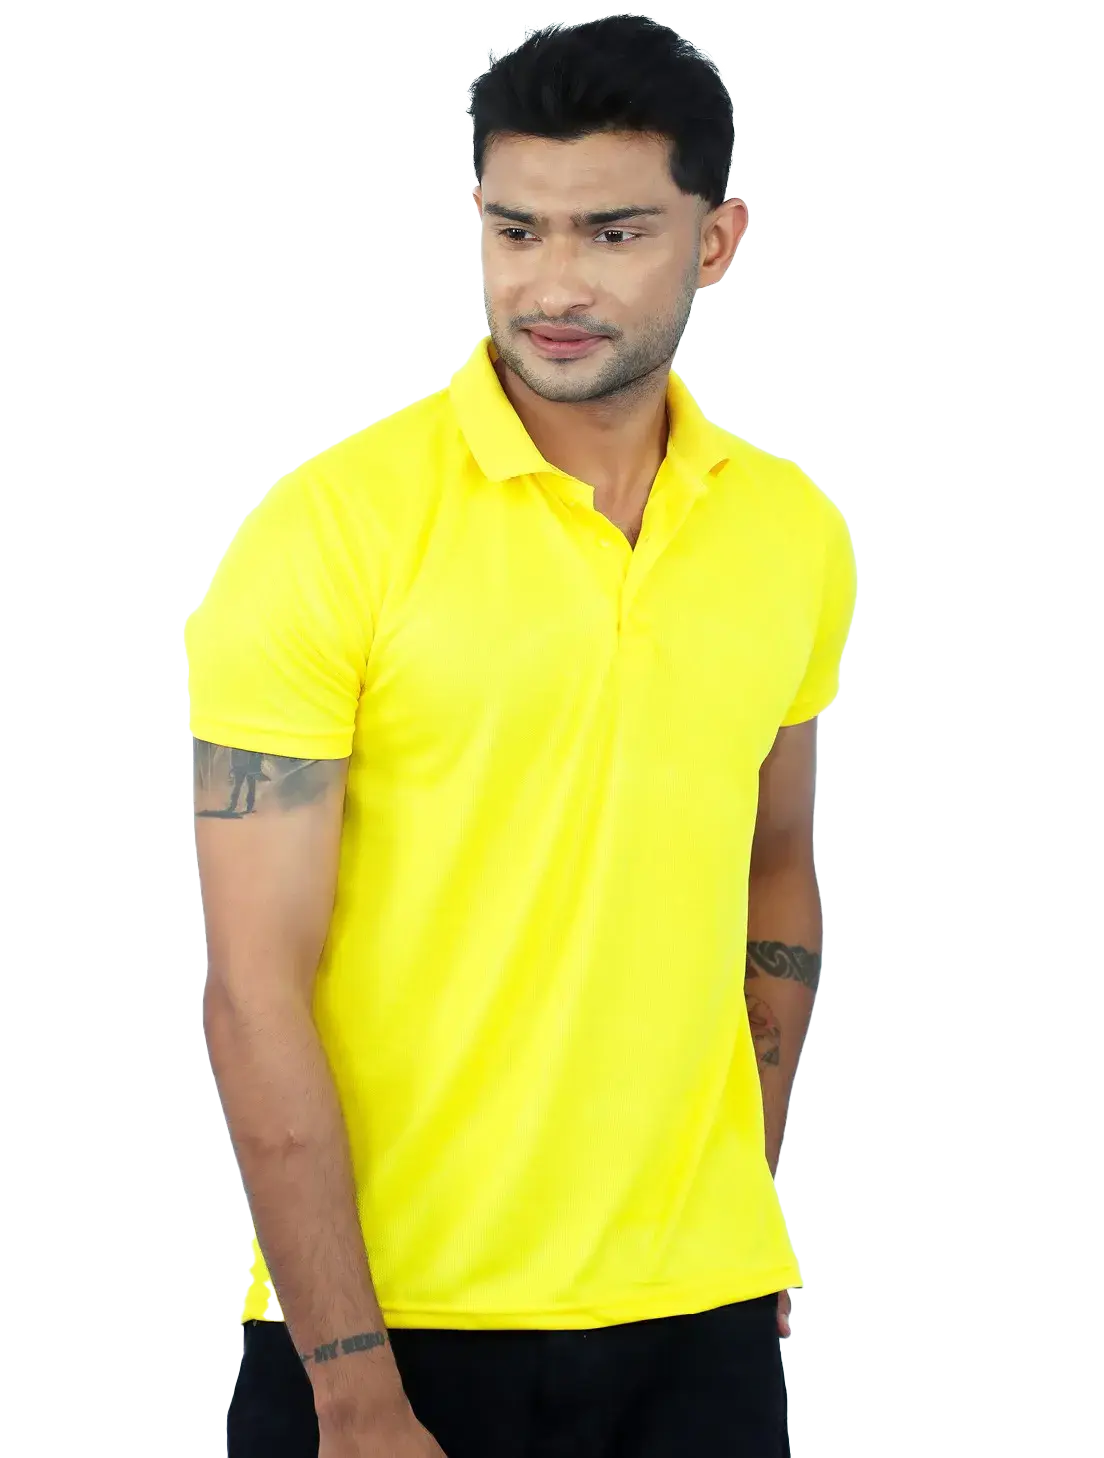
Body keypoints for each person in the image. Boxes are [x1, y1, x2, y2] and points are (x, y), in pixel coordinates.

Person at [185, 13, 858, 1458]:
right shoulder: (333, 533)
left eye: (614, 233)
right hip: (391, 1328)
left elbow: (778, 858)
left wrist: (743, 1191)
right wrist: (350, 1382)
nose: (552, 284)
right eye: (516, 229)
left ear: (717, 241)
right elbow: (252, 986)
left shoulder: (791, 531)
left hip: (700, 1323)